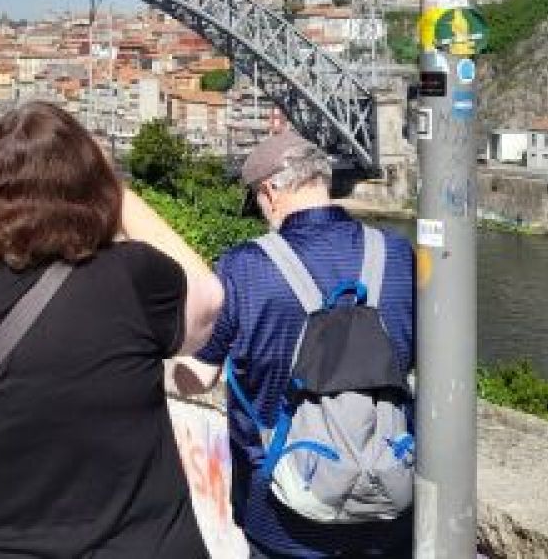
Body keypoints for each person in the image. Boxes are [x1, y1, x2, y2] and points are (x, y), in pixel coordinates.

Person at [0, 101, 224, 559]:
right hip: (133, 544)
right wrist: (117, 190)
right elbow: (208, 301)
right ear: (93, 191)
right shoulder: (131, 277)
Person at [173, 130, 415, 559]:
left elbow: (197, 379)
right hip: (386, 510)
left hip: (282, 519)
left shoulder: (244, 268)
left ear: (270, 191)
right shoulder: (396, 255)